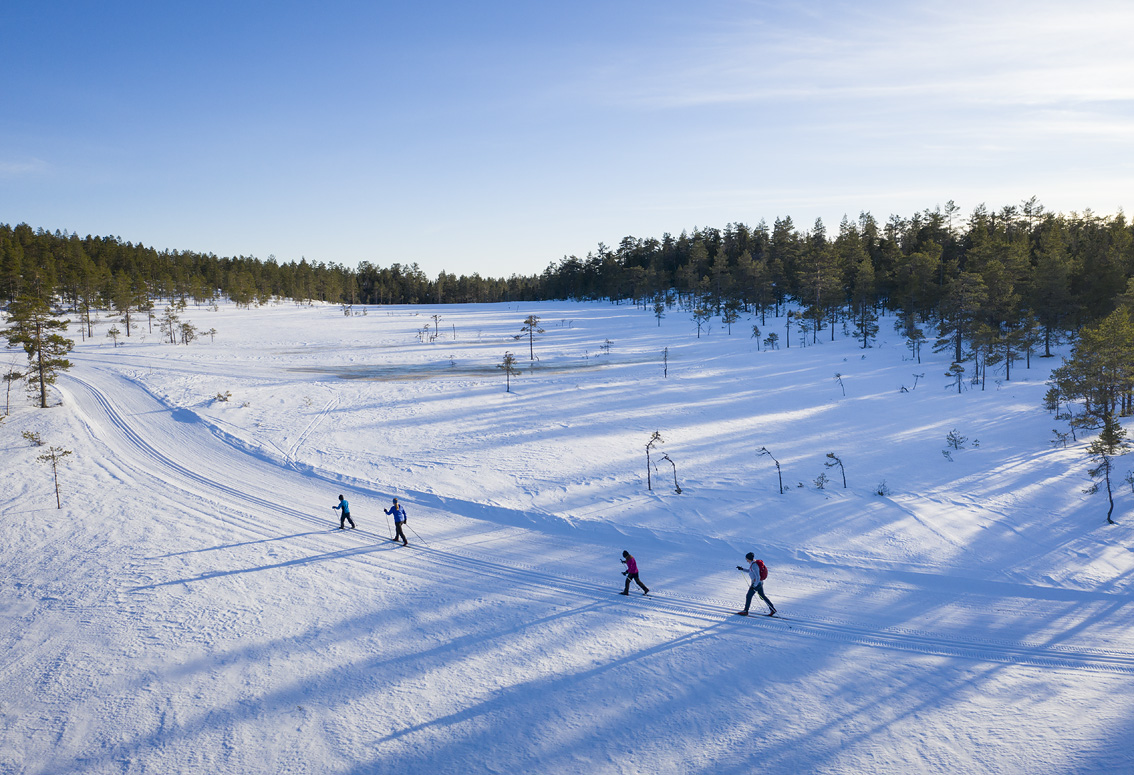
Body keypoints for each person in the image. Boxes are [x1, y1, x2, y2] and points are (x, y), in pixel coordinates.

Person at [736, 551, 775, 616]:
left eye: (746, 559)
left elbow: (758, 576)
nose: (746, 560)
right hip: (759, 583)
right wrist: (742, 569)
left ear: (749, 558)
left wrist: (754, 585)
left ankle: (745, 611)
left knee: (748, 596)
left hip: (756, 583)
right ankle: (772, 609)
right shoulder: (753, 563)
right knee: (762, 596)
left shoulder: (754, 565)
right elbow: (750, 571)